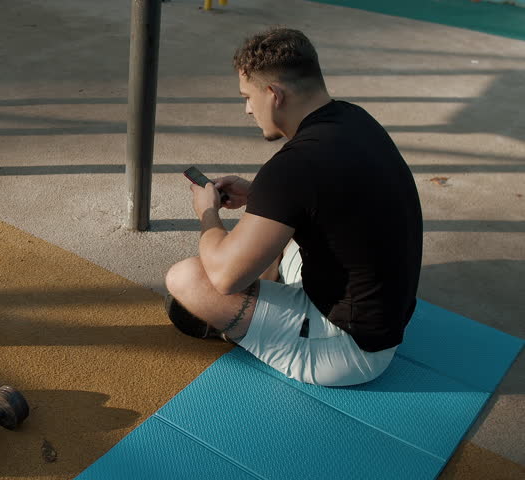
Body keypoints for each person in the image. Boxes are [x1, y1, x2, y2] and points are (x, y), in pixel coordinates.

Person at [164, 27, 423, 387]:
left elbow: (224, 278)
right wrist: (258, 196)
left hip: (347, 351)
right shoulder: (354, 119)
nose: (247, 109)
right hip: (383, 319)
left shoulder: (294, 166)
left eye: (248, 97)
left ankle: (247, 331)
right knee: (271, 231)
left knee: (188, 279)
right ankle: (270, 299)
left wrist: (206, 212)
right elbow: (329, 197)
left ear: (273, 94)